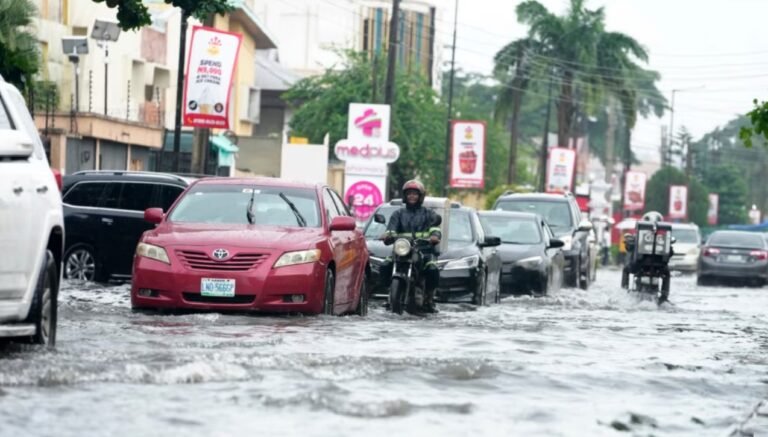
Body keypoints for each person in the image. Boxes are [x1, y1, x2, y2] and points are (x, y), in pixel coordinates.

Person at [381, 180, 442, 313]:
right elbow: (391, 230)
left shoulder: (428, 213)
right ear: (405, 196)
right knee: (385, 265)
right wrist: (387, 236)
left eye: (415, 194)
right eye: (409, 194)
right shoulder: (398, 214)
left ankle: (428, 299)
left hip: (424, 251)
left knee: (432, 269)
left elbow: (435, 229)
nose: (412, 196)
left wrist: (435, 237)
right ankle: (388, 294)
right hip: (402, 251)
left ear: (420, 196)